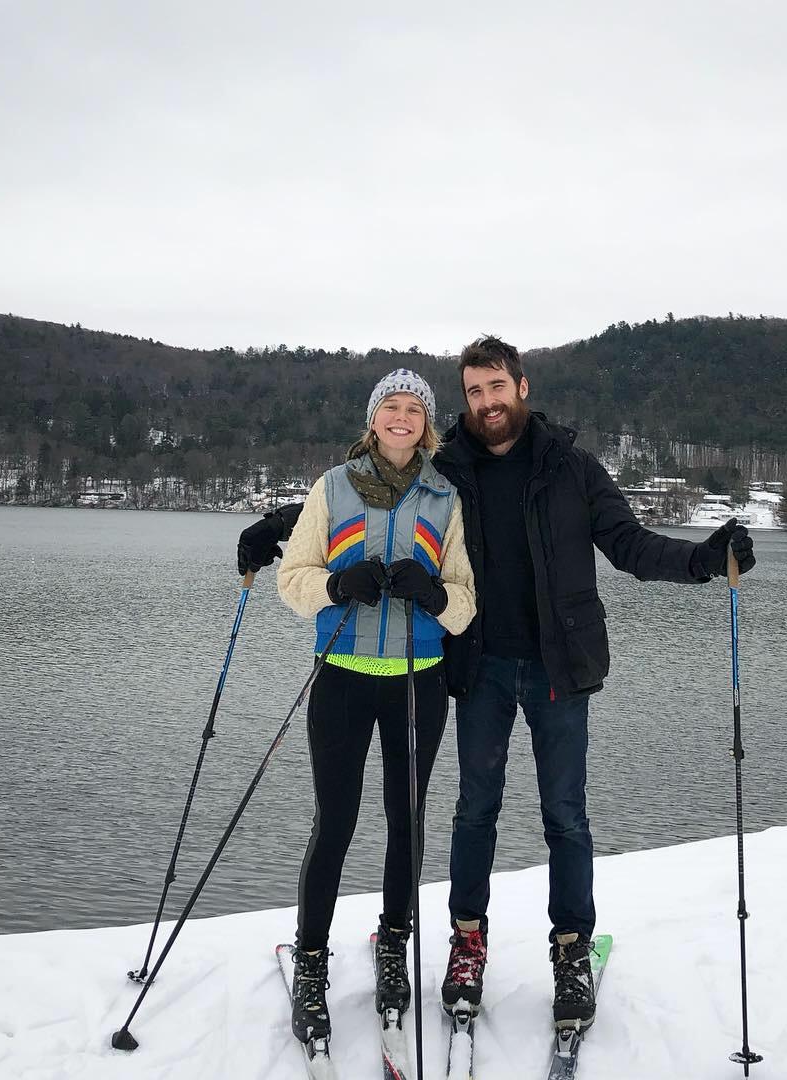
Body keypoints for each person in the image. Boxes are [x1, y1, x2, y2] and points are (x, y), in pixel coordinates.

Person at [433, 336, 756, 1032]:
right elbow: (381, 521)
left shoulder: (572, 469)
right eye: (474, 392)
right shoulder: (446, 471)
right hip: (480, 664)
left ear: (522, 386)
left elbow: (631, 546)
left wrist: (704, 558)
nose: (486, 403)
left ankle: (571, 949)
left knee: (565, 817)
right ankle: (468, 943)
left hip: (558, 668)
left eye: (496, 387)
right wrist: (284, 528)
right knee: (473, 812)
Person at [261, 369, 476, 1047]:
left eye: (415, 409)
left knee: (404, 821)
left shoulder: (446, 497)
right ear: (374, 419)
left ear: (427, 423)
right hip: (343, 679)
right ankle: (312, 957)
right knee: (337, 821)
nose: (403, 418)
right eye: (392, 408)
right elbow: (290, 581)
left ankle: (392, 945)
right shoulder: (332, 487)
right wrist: (336, 583)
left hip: (419, 679)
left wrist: (435, 595)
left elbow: (467, 600)